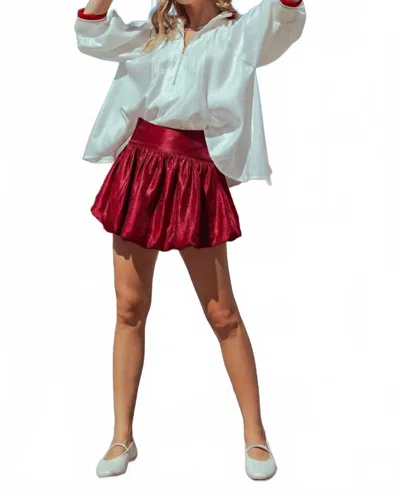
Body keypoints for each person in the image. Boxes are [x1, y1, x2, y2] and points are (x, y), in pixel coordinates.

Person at [74, 0, 306, 480]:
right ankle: (122, 436)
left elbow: (284, 17)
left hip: (195, 176)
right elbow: (91, 35)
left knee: (223, 314)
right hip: (139, 169)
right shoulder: (152, 34)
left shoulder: (238, 35)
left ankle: (256, 433)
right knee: (129, 308)